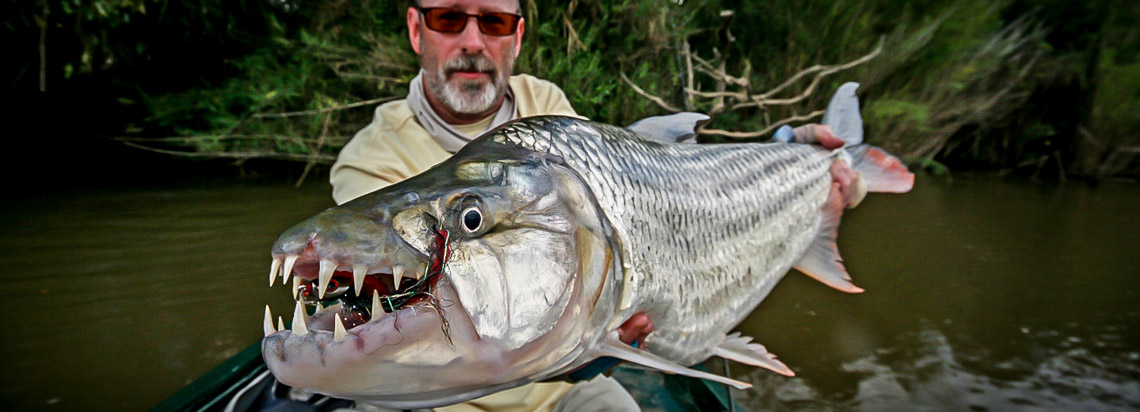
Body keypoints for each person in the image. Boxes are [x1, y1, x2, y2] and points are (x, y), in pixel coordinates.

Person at [329, 0, 843, 410]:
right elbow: (403, 330)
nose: (472, 41)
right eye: (449, 18)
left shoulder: (545, 105)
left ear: (518, 37)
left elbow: (659, 180)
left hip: (557, 387)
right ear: (417, 30)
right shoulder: (370, 160)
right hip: (435, 394)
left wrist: (787, 145)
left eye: (494, 21)